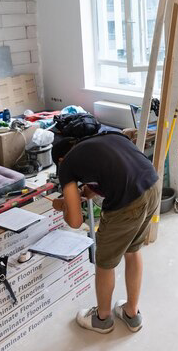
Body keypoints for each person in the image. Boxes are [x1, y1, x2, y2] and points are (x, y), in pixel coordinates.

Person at [51, 131, 160, 334]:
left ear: (60, 159)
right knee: (133, 250)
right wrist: (84, 194)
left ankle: (102, 318)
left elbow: (75, 221)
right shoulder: (108, 137)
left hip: (126, 203)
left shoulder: (67, 165)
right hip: (153, 187)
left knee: (104, 263)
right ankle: (131, 313)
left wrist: (63, 205)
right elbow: (108, 175)